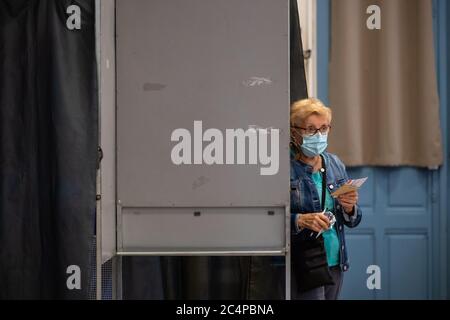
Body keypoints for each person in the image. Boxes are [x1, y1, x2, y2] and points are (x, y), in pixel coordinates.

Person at [290, 98, 362, 300]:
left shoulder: (335, 163)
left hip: (335, 262)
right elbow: (269, 217)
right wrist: (300, 220)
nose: (318, 135)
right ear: (294, 131)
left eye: (323, 129)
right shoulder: (282, 167)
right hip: (303, 264)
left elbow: (353, 220)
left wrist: (350, 208)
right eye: (310, 129)